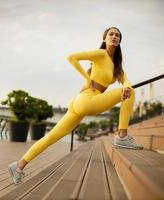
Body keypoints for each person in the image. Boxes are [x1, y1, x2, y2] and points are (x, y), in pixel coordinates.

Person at [8, 27, 143, 185]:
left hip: (80, 101)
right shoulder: (100, 54)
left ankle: (18, 166)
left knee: (51, 137)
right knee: (130, 93)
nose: (114, 37)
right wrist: (87, 78)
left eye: (117, 35)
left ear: (120, 41)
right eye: (111, 34)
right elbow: (72, 57)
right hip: (87, 99)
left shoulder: (117, 66)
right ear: (105, 38)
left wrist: (126, 86)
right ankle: (122, 136)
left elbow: (126, 80)